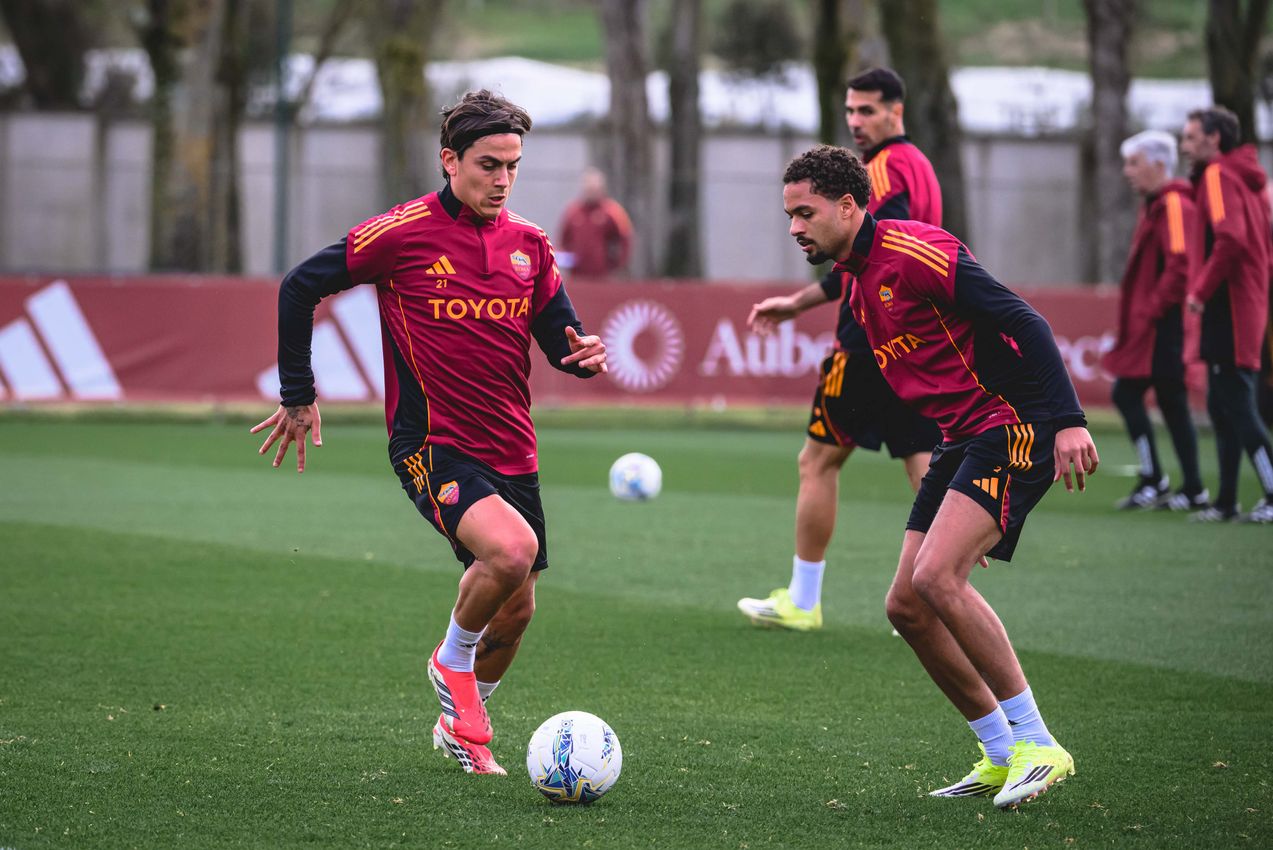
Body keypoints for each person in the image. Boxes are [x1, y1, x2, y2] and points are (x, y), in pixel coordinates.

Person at [250, 90, 608, 775]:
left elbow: (560, 340)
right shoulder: (402, 232)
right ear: (450, 161)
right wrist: (298, 395)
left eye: (513, 166)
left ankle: (458, 726)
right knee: (509, 553)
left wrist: (580, 357)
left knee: (517, 606)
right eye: (488, 165)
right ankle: (450, 663)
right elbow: (300, 285)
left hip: (514, 448)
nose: (502, 180)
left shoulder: (530, 245)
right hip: (432, 442)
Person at [761, 145, 1098, 808]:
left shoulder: (914, 251)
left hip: (1012, 423)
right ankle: (1001, 754)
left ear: (850, 206)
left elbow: (1023, 319)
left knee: (935, 577)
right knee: (906, 606)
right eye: (788, 215)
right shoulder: (857, 286)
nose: (795, 227)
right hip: (961, 440)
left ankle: (1037, 743)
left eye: (806, 212)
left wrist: (1067, 419)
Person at [738, 67, 942, 632]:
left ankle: (804, 600)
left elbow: (869, 253)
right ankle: (940, 591)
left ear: (896, 111)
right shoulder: (921, 165)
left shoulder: (884, 169)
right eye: (851, 110)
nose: (856, 121)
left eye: (868, 111)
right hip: (915, 332)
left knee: (818, 461)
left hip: (866, 334)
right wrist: (799, 302)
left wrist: (798, 303)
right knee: (922, 459)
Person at [1102, 130, 1207, 511]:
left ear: (1160, 165)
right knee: (1169, 400)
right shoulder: (1158, 204)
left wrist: (1152, 309)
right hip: (1159, 322)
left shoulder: (1175, 204)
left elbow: (1180, 264)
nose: (1128, 172)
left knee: (1132, 394)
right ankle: (1189, 487)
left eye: (1134, 163)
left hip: (1165, 325)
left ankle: (1157, 479)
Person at [1180, 106, 1273, 523]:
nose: (1185, 146)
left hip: (1229, 306)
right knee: (1222, 403)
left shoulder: (1218, 175)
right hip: (1244, 303)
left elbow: (1230, 239)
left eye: (1191, 137)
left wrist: (1200, 289)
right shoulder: (1244, 177)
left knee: (1235, 400)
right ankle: (1227, 501)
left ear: (1214, 139)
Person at [556, 167, 633, 278]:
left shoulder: (613, 211)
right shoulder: (572, 212)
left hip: (603, 275)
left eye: (594, 189)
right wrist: (566, 262)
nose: (591, 192)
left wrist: (619, 265)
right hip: (577, 275)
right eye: (589, 189)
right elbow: (562, 240)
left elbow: (626, 238)